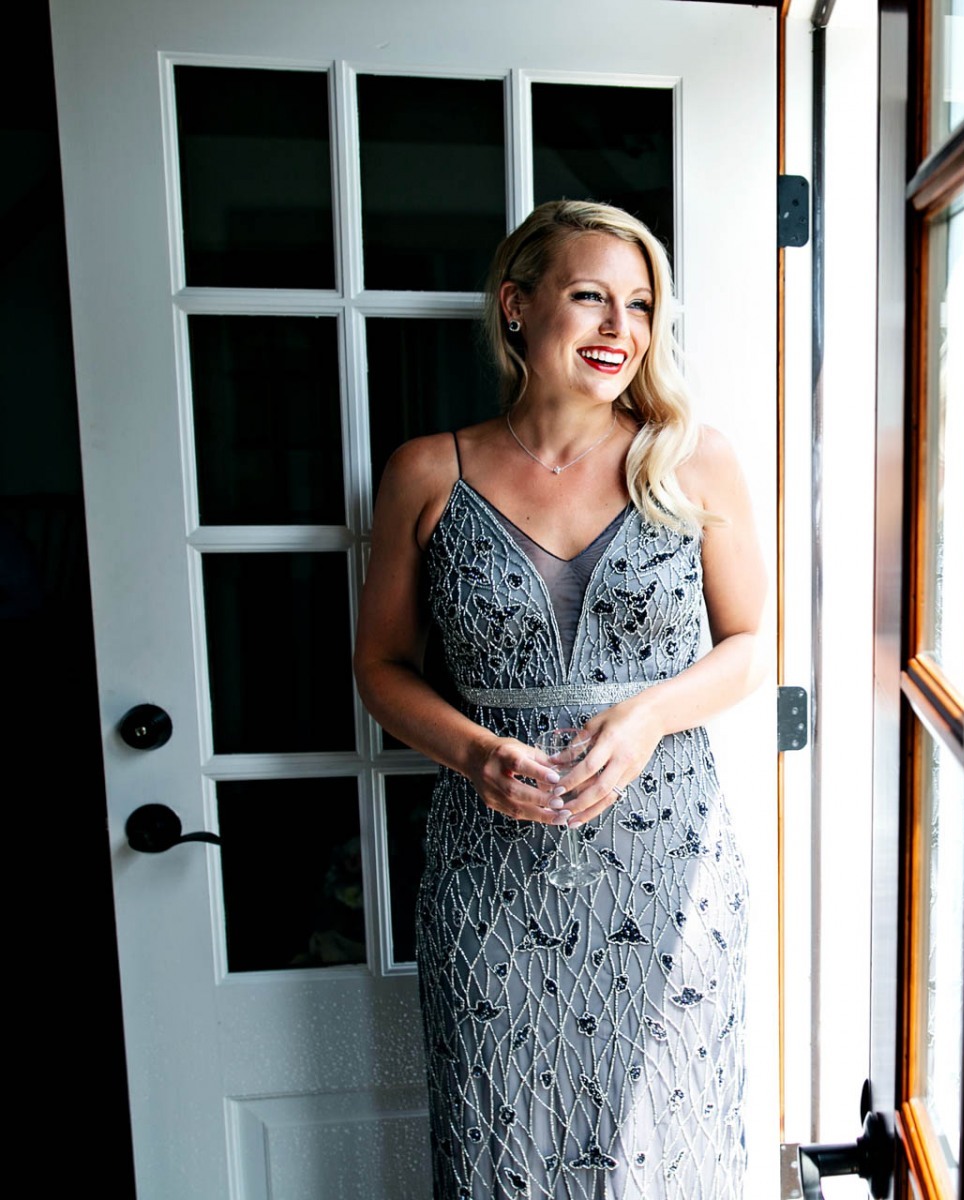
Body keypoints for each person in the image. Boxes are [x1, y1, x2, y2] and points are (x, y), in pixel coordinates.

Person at [354, 199, 768, 1199]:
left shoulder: (690, 456)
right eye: (591, 298)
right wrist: (474, 753)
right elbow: (380, 669)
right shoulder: (427, 470)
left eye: (641, 305)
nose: (621, 329)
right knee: (503, 1139)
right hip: (488, 865)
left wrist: (649, 713)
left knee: (671, 1133)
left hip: (668, 851)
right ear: (516, 307)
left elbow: (751, 644)